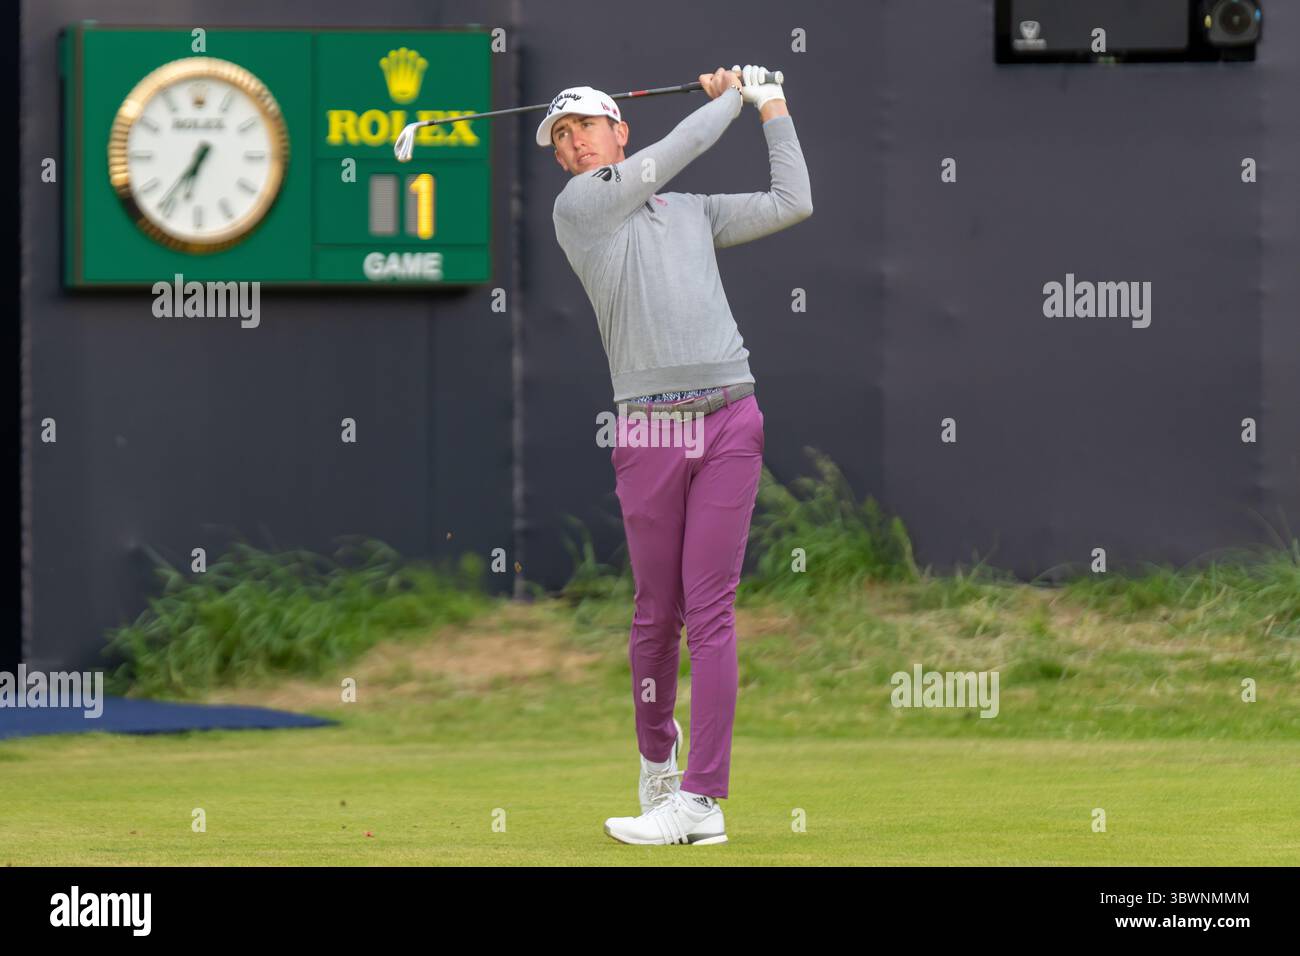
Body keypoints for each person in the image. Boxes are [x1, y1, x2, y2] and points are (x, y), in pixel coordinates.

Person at [541, 64, 813, 844]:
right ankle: (658, 762)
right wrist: (728, 95)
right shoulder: (580, 209)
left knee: (711, 611)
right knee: (656, 614)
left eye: (585, 126)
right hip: (651, 428)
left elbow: (794, 202)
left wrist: (770, 105)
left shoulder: (691, 214)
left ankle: (700, 802)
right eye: (561, 137)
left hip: (732, 414)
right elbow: (677, 149)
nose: (572, 144)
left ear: (617, 129)